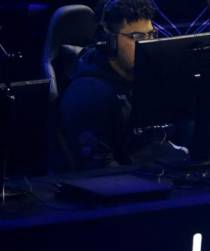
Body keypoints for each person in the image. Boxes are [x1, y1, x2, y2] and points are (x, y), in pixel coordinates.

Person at [59, 0, 182, 169]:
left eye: (152, 35)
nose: (146, 44)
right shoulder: (89, 95)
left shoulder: (153, 77)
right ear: (109, 42)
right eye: (137, 37)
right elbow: (100, 171)